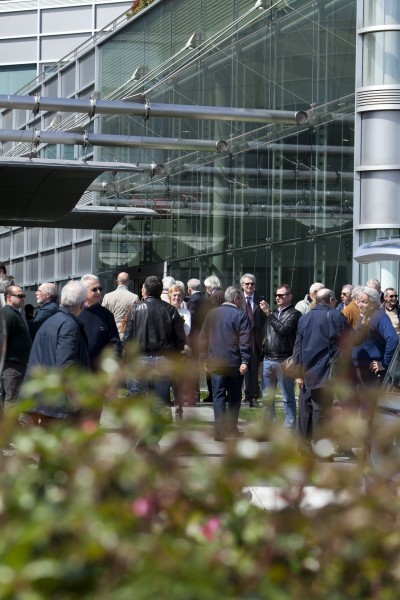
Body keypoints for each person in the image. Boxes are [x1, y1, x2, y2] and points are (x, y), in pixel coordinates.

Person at [123, 276, 187, 448]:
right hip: (163, 360)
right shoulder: (170, 310)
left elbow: (127, 339)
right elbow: (181, 340)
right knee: (159, 403)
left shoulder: (136, 309)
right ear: (161, 291)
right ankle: (152, 439)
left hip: (140, 360)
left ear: (145, 290)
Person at [20, 280, 91, 426]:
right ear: (82, 304)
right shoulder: (69, 325)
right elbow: (65, 364)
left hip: (43, 399)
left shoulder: (51, 321)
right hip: (57, 405)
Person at [295, 288, 352, 444]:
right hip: (327, 368)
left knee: (310, 408)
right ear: (331, 300)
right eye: (335, 299)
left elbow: (298, 345)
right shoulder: (336, 316)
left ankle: (308, 446)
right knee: (323, 410)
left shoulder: (304, 318)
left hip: (308, 369)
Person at [199, 286, 252, 442]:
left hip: (216, 362)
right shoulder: (241, 315)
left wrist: (204, 358)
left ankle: (219, 430)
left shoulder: (211, 314)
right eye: (240, 299)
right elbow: (245, 340)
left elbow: (203, 338)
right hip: (234, 363)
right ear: (236, 299)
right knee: (234, 397)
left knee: (218, 397)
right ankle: (231, 428)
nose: (241, 302)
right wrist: (245, 360)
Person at [259, 284, 301, 430]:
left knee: (287, 397)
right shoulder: (274, 313)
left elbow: (283, 330)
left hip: (284, 360)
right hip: (268, 359)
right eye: (276, 295)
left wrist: (269, 314)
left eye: (281, 295)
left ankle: (289, 428)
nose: (277, 298)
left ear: (290, 296)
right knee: (267, 397)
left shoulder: (295, 314)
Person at [353, 287, 399, 417]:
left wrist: (384, 363)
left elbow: (393, 339)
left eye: (364, 302)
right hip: (362, 371)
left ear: (373, 303)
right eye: (359, 301)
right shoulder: (365, 316)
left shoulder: (379, 316)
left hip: (372, 373)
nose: (360, 304)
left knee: (369, 410)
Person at [78, 274, 121, 370]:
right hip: (79, 372)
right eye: (94, 289)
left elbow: (115, 343)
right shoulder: (75, 312)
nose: (98, 292)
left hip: (101, 372)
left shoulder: (106, 314)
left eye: (100, 289)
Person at [1, 285, 32, 413]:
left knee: (12, 400)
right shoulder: (8, 314)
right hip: (11, 367)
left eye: (24, 295)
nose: (23, 298)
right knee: (11, 400)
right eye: (20, 296)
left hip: (15, 366)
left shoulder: (14, 314)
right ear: (9, 297)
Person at [240, 273, 266, 407]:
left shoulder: (260, 301)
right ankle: (240, 394)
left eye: (252, 284)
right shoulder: (238, 300)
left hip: (254, 340)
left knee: (254, 369)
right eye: (247, 284)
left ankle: (253, 396)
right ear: (242, 285)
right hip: (240, 339)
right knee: (240, 367)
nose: (250, 286)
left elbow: (264, 320)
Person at [102, 272, 139, 340]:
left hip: (110, 334)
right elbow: (137, 319)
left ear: (117, 282)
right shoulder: (134, 297)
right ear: (129, 282)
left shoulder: (107, 297)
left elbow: (103, 317)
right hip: (126, 334)